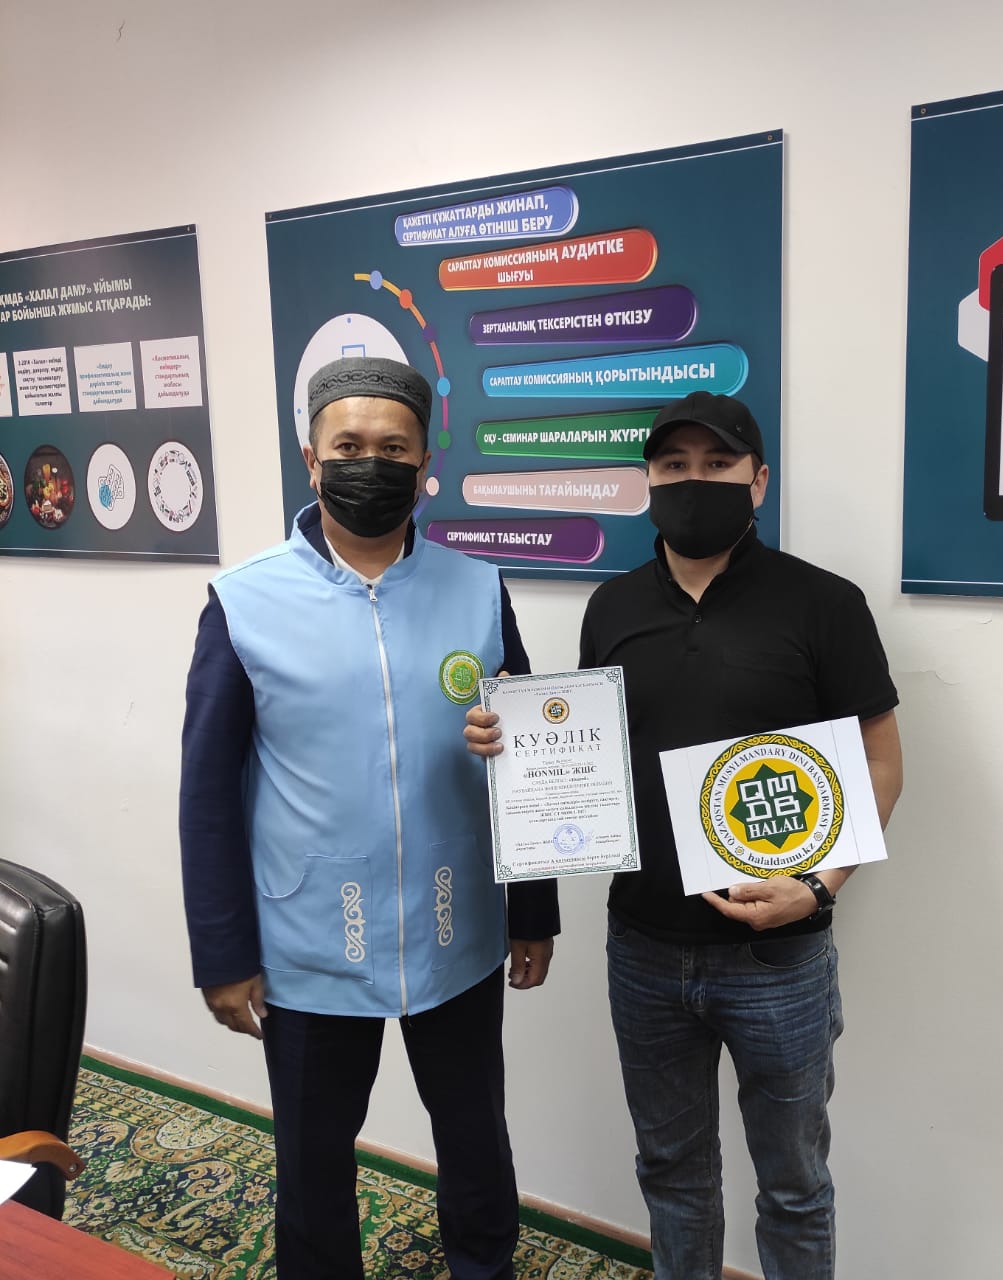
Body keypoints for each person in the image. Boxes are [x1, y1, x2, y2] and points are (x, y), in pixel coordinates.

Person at [466, 390, 902, 1280]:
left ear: (759, 480)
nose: (693, 480)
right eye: (673, 465)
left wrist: (819, 887)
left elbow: (880, 762)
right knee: (672, 1174)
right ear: (649, 482)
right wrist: (512, 744)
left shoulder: (824, 603)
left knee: (794, 1184)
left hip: (780, 958)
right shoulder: (612, 605)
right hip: (645, 950)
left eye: (717, 463)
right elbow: (586, 751)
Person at [179, 355, 558, 1280]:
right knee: (313, 1165)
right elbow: (207, 793)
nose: (370, 463)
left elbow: (536, 754)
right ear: (311, 459)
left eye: (393, 448)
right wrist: (223, 953)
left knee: (476, 1143)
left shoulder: (477, 588)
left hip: (455, 924)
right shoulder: (245, 602)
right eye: (348, 445)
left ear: (425, 461)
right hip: (313, 940)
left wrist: (533, 909)